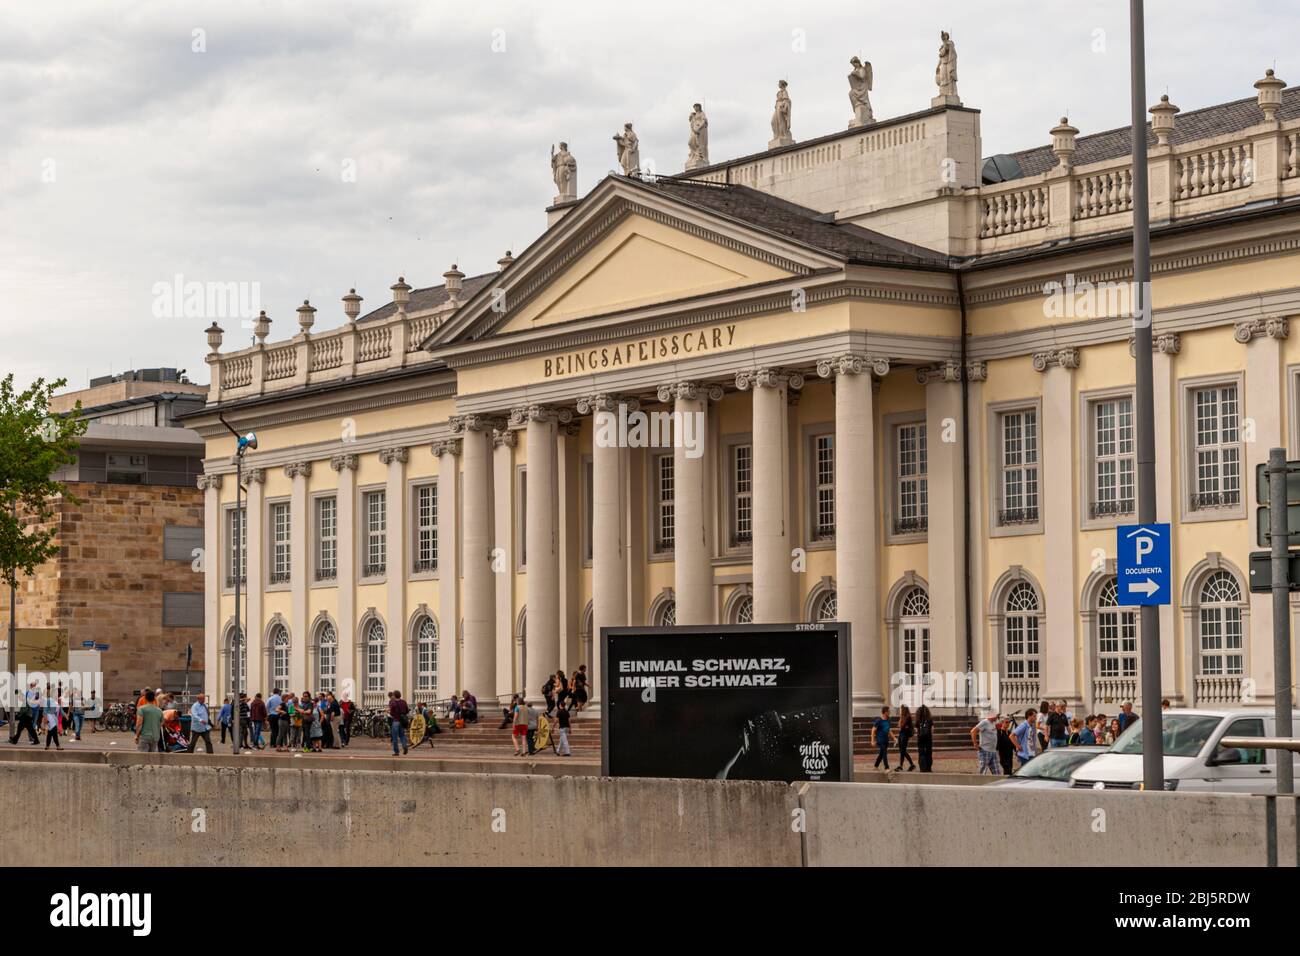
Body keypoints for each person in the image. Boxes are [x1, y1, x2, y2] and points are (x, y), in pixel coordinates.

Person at [971, 710, 1001, 775]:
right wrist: (975, 743)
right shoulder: (984, 722)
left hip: (993, 751)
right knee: (982, 771)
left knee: (997, 772)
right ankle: (979, 784)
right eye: (997, 716)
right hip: (985, 750)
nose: (998, 717)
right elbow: (973, 731)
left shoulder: (993, 723)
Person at [389, 689, 410, 756]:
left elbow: (391, 713)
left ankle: (396, 752)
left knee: (395, 737)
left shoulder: (393, 703)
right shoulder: (404, 702)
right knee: (402, 735)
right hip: (402, 722)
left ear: (395, 696)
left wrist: (394, 714)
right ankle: (404, 746)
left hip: (396, 721)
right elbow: (407, 710)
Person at [896, 704, 917, 771]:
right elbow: (900, 726)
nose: (900, 710)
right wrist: (901, 724)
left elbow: (901, 726)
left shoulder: (908, 717)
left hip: (904, 736)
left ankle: (901, 766)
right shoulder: (903, 717)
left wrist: (902, 724)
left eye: (901, 709)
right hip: (901, 734)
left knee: (903, 751)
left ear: (903, 709)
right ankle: (912, 765)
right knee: (902, 751)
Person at [915, 704, 934, 772]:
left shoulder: (918, 720)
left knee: (921, 752)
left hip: (920, 738)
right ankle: (928, 767)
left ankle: (922, 767)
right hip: (928, 738)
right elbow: (932, 730)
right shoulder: (929, 719)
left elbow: (916, 730)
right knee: (928, 752)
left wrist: (918, 735)